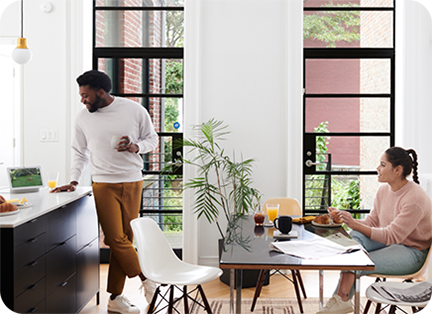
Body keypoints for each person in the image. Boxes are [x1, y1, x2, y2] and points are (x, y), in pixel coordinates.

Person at [51, 70, 159, 314]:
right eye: (81, 95)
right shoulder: (82, 119)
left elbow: (153, 139)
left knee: (124, 240)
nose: (82, 100)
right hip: (103, 183)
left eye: (86, 95)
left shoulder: (134, 110)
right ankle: (147, 278)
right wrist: (73, 180)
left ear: (101, 93)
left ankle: (115, 298)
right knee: (114, 238)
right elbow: (80, 152)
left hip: (133, 181)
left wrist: (136, 147)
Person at [318, 147, 432, 314]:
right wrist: (347, 219)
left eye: (382, 164)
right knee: (355, 238)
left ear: (397, 170)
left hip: (412, 252)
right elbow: (372, 222)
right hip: (391, 244)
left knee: (360, 260)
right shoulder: (383, 190)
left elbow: (391, 235)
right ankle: (341, 300)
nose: (377, 168)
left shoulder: (414, 198)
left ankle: (340, 299)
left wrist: (354, 224)